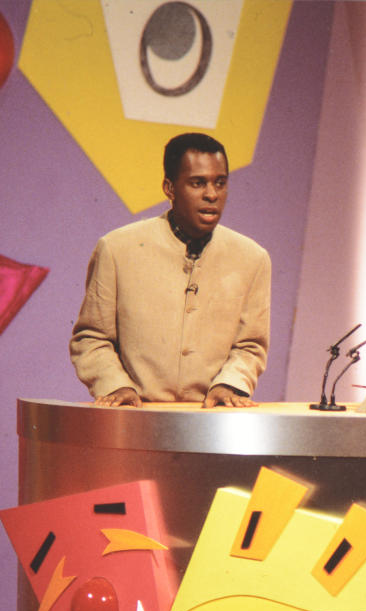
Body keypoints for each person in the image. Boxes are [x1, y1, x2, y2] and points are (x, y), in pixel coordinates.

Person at [69, 133, 270, 408]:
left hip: (213, 424)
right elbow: (91, 337)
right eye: (197, 183)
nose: (212, 194)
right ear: (169, 188)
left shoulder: (252, 258)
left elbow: (251, 345)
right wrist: (116, 385)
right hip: (134, 421)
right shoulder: (117, 249)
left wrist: (230, 383)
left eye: (220, 183)